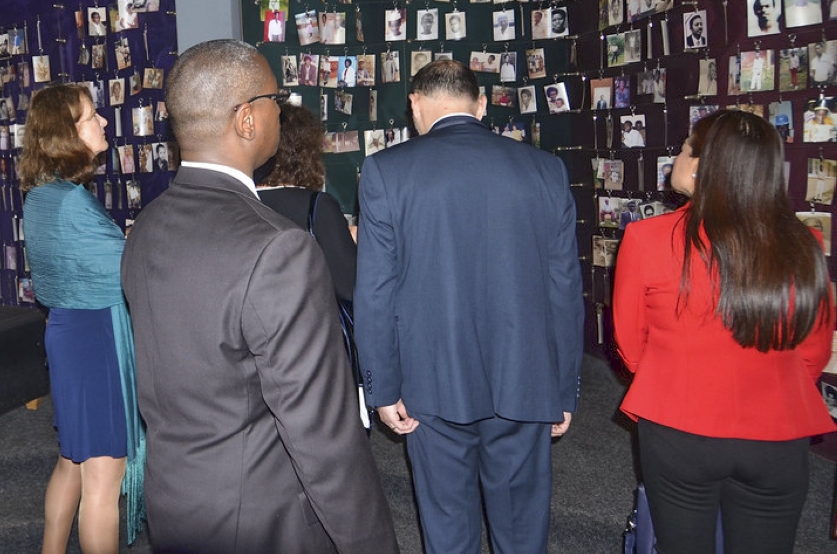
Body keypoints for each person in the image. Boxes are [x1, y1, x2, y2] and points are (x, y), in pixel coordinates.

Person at [120, 39, 398, 553]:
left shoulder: (146, 228)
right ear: (247, 120)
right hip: (263, 520)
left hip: (173, 503)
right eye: (278, 99)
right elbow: (322, 437)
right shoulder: (279, 249)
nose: (283, 109)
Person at [355, 59, 582, 554]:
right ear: (481, 105)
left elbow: (375, 290)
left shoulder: (385, 171)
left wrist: (381, 385)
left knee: (447, 529)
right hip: (525, 378)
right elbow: (564, 289)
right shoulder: (545, 169)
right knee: (523, 532)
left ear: (415, 106)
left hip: (429, 382)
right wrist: (564, 387)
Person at [613, 111, 835, 553]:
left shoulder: (646, 238)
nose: (675, 156)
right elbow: (813, 348)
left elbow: (629, 342)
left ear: (699, 166)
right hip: (778, 434)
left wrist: (671, 379)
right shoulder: (805, 243)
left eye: (682, 148)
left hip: (678, 428)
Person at [18, 83, 145, 554]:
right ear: (66, 133)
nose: (104, 122)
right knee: (103, 481)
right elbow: (130, 269)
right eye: (93, 116)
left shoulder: (41, 195)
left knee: (73, 461)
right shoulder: (71, 201)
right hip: (97, 340)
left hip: (70, 333)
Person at [256, 104, 356, 304]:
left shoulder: (237, 200)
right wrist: (351, 244)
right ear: (306, 154)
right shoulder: (317, 206)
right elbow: (348, 286)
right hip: (308, 327)